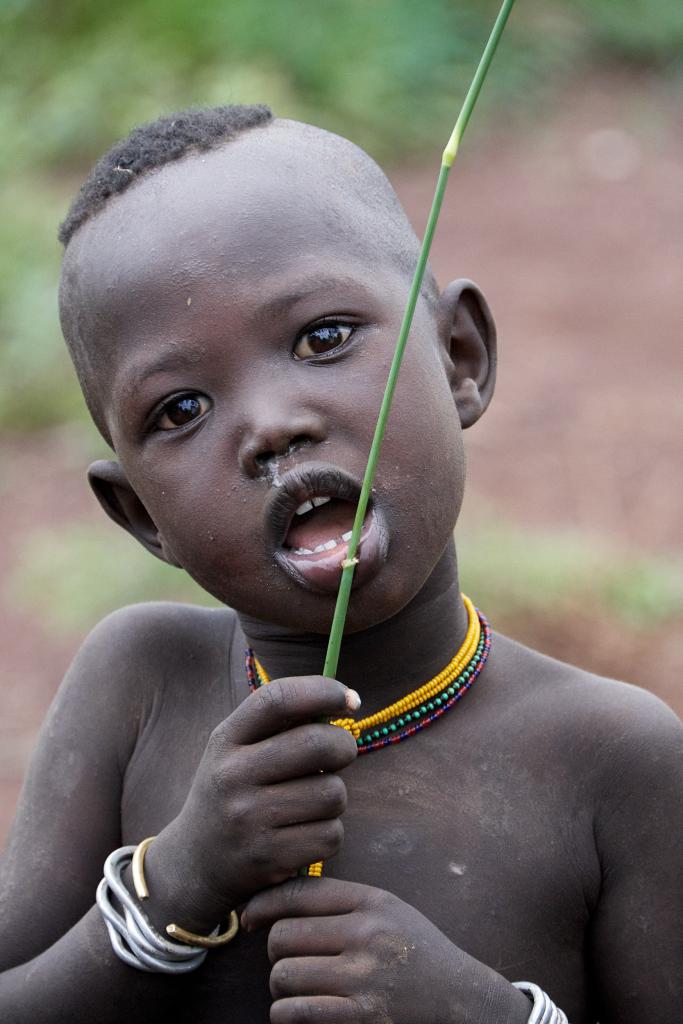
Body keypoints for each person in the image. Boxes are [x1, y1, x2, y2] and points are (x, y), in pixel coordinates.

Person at [0, 104, 680, 1024]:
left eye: (321, 339)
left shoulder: (614, 758)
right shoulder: (142, 684)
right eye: (182, 409)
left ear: (459, 356)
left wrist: (492, 1015)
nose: (270, 425)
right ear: (138, 515)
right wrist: (169, 894)